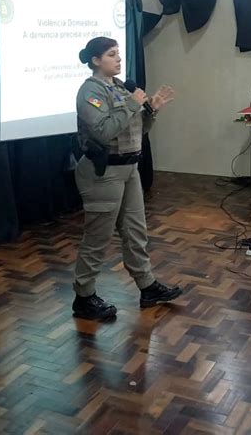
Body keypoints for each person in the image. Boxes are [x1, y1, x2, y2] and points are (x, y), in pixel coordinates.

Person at [72, 36, 182, 320]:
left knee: (135, 232)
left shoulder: (121, 87)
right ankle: (83, 297)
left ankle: (148, 287)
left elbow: (137, 130)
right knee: (97, 237)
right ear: (96, 61)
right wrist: (133, 105)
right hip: (103, 173)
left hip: (129, 169)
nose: (119, 59)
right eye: (112, 54)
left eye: (119, 54)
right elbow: (104, 131)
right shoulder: (91, 91)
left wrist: (152, 110)